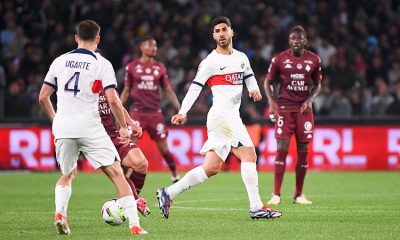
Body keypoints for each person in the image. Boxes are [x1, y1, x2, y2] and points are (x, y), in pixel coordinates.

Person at [156, 16, 282, 220]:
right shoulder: (210, 62)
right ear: (213, 35)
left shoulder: (241, 57)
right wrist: (183, 111)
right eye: (217, 31)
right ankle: (256, 207)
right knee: (249, 155)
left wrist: (255, 91)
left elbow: (248, 76)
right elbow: (195, 87)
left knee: (211, 168)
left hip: (228, 117)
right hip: (222, 116)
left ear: (232, 32)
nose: (221, 34)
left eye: (224, 29)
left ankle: (168, 193)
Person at [38, 20, 147, 235]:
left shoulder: (59, 61)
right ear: (98, 39)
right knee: (117, 174)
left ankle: (60, 214)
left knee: (67, 175)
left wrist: (55, 120)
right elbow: (114, 100)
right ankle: (135, 226)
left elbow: (42, 97)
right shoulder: (101, 63)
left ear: (76, 38)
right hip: (89, 126)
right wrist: (124, 127)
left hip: (63, 127)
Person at [264, 25, 322, 205]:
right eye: (293, 39)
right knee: (282, 149)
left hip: (304, 111)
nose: (296, 42)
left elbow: (318, 84)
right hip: (284, 109)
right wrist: (272, 103)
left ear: (305, 41)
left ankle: (298, 194)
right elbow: (268, 82)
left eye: (299, 39)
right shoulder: (279, 59)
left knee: (303, 152)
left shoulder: (314, 59)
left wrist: (310, 99)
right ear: (289, 41)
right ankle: (276, 194)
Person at [120, 36, 181, 183]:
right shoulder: (132, 67)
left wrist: (180, 109)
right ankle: (122, 180)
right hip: (136, 114)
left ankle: (175, 174)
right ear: (142, 47)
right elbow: (126, 90)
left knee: (164, 149)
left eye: (155, 46)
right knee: (130, 148)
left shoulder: (160, 67)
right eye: (150, 45)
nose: (154, 48)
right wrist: (118, 111)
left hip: (155, 114)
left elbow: (168, 90)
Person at [98, 87, 150, 216]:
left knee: (141, 163)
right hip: (96, 137)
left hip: (115, 134)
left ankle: (131, 198)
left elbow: (117, 104)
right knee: (119, 174)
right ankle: (135, 201)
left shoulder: (106, 81)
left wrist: (130, 124)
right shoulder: (81, 85)